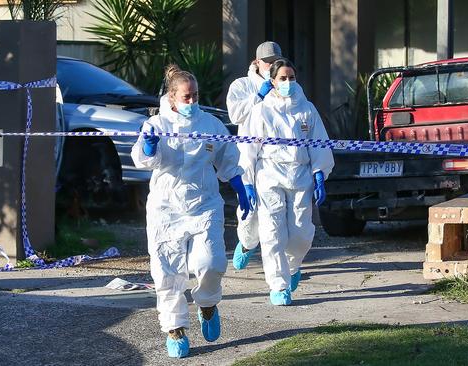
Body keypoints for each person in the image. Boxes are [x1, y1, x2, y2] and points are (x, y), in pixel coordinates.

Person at [131, 64, 251, 358]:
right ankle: (175, 328)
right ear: (172, 97)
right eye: (187, 97)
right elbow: (143, 160)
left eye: (196, 95)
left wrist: (240, 184)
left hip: (204, 204)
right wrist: (148, 147)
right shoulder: (156, 124)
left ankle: (207, 304)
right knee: (167, 273)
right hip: (166, 208)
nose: (192, 101)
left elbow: (228, 157)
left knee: (210, 262)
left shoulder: (210, 125)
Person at [243, 58, 334, 306]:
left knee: (301, 234)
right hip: (269, 175)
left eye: (291, 78)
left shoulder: (307, 109)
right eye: (282, 78)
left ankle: (293, 267)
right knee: (272, 233)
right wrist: (247, 182)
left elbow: (319, 143)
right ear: (272, 81)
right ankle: (278, 285)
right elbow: (248, 147)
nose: (288, 82)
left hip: (300, 175)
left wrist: (319, 173)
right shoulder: (261, 110)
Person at [226, 41, 282, 271]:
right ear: (257, 62)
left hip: (278, 160)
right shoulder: (242, 85)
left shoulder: (285, 83)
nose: (271, 66)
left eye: (275, 61)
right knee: (250, 212)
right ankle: (248, 244)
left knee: (278, 214)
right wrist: (258, 96)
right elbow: (235, 115)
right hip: (249, 156)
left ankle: (284, 265)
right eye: (267, 62)